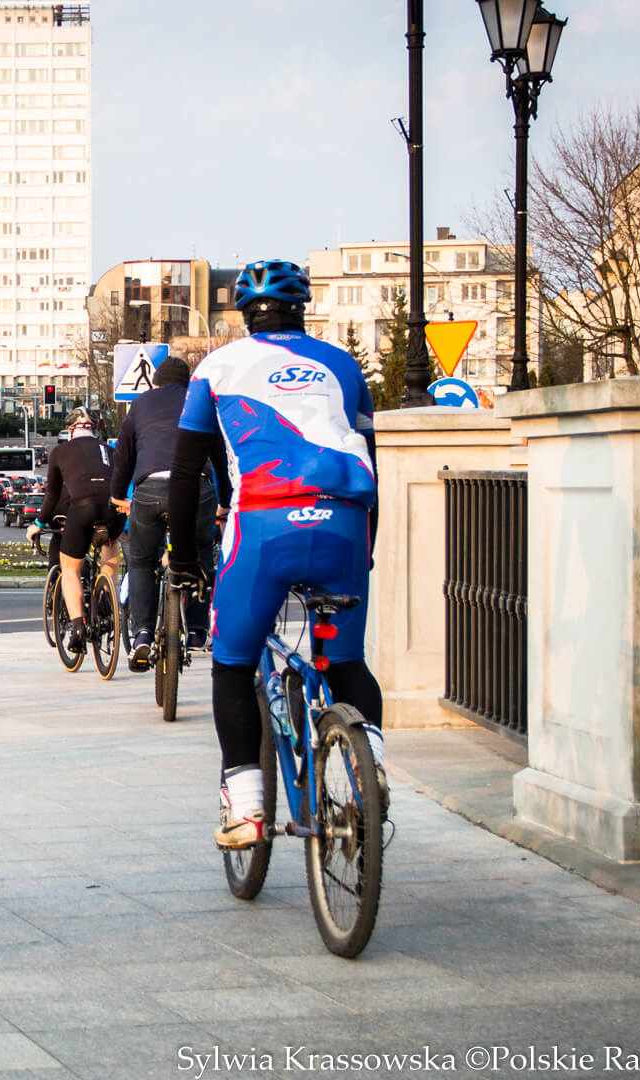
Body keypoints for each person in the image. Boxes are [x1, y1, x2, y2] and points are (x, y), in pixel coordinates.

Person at [167, 259, 384, 849]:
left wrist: (184, 557)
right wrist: (368, 546)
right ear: (302, 308)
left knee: (233, 664)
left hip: (263, 524)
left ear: (244, 311)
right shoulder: (341, 363)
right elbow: (369, 452)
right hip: (344, 522)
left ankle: (248, 811)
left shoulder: (216, 366)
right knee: (346, 662)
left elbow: (186, 472)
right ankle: (371, 773)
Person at [110, 355, 217, 671]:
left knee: (142, 561)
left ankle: (143, 633)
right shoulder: (201, 401)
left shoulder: (141, 405)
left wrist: (117, 494)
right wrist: (225, 500)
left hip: (150, 490)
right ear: (187, 382)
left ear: (156, 382)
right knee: (201, 551)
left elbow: (123, 456)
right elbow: (219, 453)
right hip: (196, 488)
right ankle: (197, 631)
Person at [25, 409, 124, 656]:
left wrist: (38, 523)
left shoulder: (59, 452)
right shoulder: (109, 450)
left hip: (83, 507)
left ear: (69, 430)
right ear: (93, 429)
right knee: (110, 549)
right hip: (113, 507)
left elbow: (52, 495)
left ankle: (78, 627)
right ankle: (106, 599)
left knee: (70, 569)